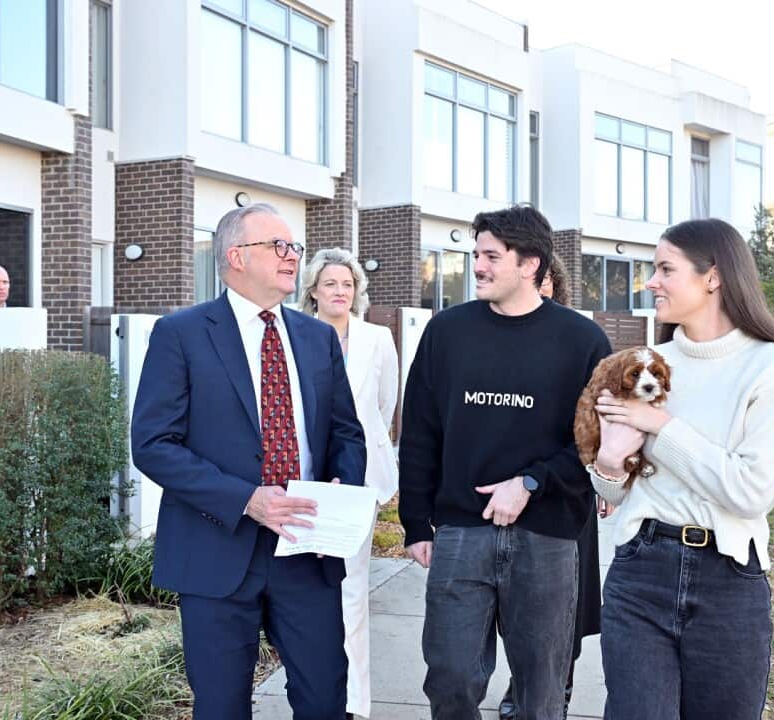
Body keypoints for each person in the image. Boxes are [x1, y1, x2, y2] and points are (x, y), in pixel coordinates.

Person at [131, 203, 366, 720]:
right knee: (220, 708)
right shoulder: (182, 334)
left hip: (307, 550)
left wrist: (338, 496)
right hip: (215, 550)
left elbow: (347, 434)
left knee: (326, 700)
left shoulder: (316, 337)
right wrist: (246, 500)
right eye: (277, 246)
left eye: (294, 248)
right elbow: (152, 443)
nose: (292, 257)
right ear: (236, 257)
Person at [589, 218, 774, 720]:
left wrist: (660, 425)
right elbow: (616, 487)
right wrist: (607, 464)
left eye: (664, 269)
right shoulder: (647, 363)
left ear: (712, 276)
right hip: (640, 570)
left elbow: (750, 493)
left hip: (729, 581)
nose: (651, 282)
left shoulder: (771, 366)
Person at [398, 205, 612, 720]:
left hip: (548, 536)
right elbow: (421, 432)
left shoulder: (581, 340)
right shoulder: (445, 333)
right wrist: (415, 523)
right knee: (449, 678)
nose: (478, 266)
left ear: (531, 263)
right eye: (476, 255)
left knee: (541, 690)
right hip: (460, 531)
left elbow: (596, 438)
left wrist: (532, 483)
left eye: (492, 256)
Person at [499, 251, 604, 720]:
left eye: (542, 291)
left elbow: (596, 426)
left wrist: (602, 480)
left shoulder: (576, 342)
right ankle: (522, 684)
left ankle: (557, 688)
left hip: (567, 497)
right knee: (520, 610)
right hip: (510, 498)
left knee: (568, 610)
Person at [298, 248, 400, 720]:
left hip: (360, 482)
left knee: (353, 588)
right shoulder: (296, 335)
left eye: (347, 284)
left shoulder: (378, 339)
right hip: (303, 480)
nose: (340, 292)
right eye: (331, 283)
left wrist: (358, 462)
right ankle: (321, 692)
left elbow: (383, 408)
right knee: (313, 595)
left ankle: (355, 704)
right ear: (313, 290)